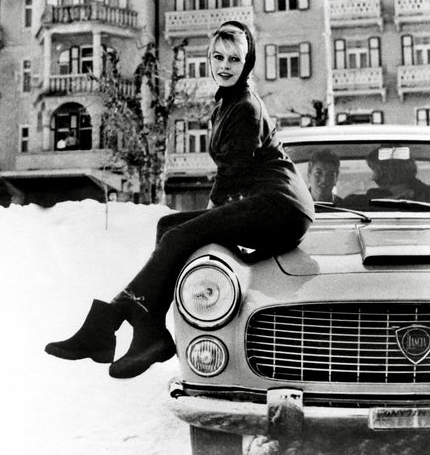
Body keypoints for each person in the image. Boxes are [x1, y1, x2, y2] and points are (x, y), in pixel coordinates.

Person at [44, 21, 314, 379]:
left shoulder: (246, 106)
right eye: (218, 57)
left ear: (247, 63)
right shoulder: (227, 104)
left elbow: (232, 177)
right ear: (208, 58)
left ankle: (113, 322)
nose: (225, 66)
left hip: (280, 206)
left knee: (178, 235)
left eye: (235, 58)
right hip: (265, 202)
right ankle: (148, 331)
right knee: (168, 225)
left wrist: (199, 228)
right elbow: (229, 181)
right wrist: (196, 228)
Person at [343, 145, 430, 209]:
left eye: (375, 170)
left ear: (386, 172)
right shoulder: (367, 198)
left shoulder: (426, 195)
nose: (373, 177)